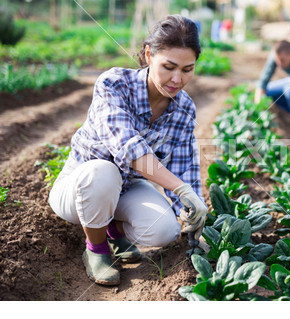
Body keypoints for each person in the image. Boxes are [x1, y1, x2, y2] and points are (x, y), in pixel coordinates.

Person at [48, 15, 207, 286]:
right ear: (148, 54)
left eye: (187, 69)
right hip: (80, 187)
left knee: (164, 229)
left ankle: (111, 228)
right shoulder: (114, 84)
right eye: (168, 67)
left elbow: (184, 167)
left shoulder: (184, 108)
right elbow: (127, 147)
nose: (177, 79)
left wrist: (194, 219)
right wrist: (180, 188)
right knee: (104, 171)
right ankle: (96, 249)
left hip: (126, 188)